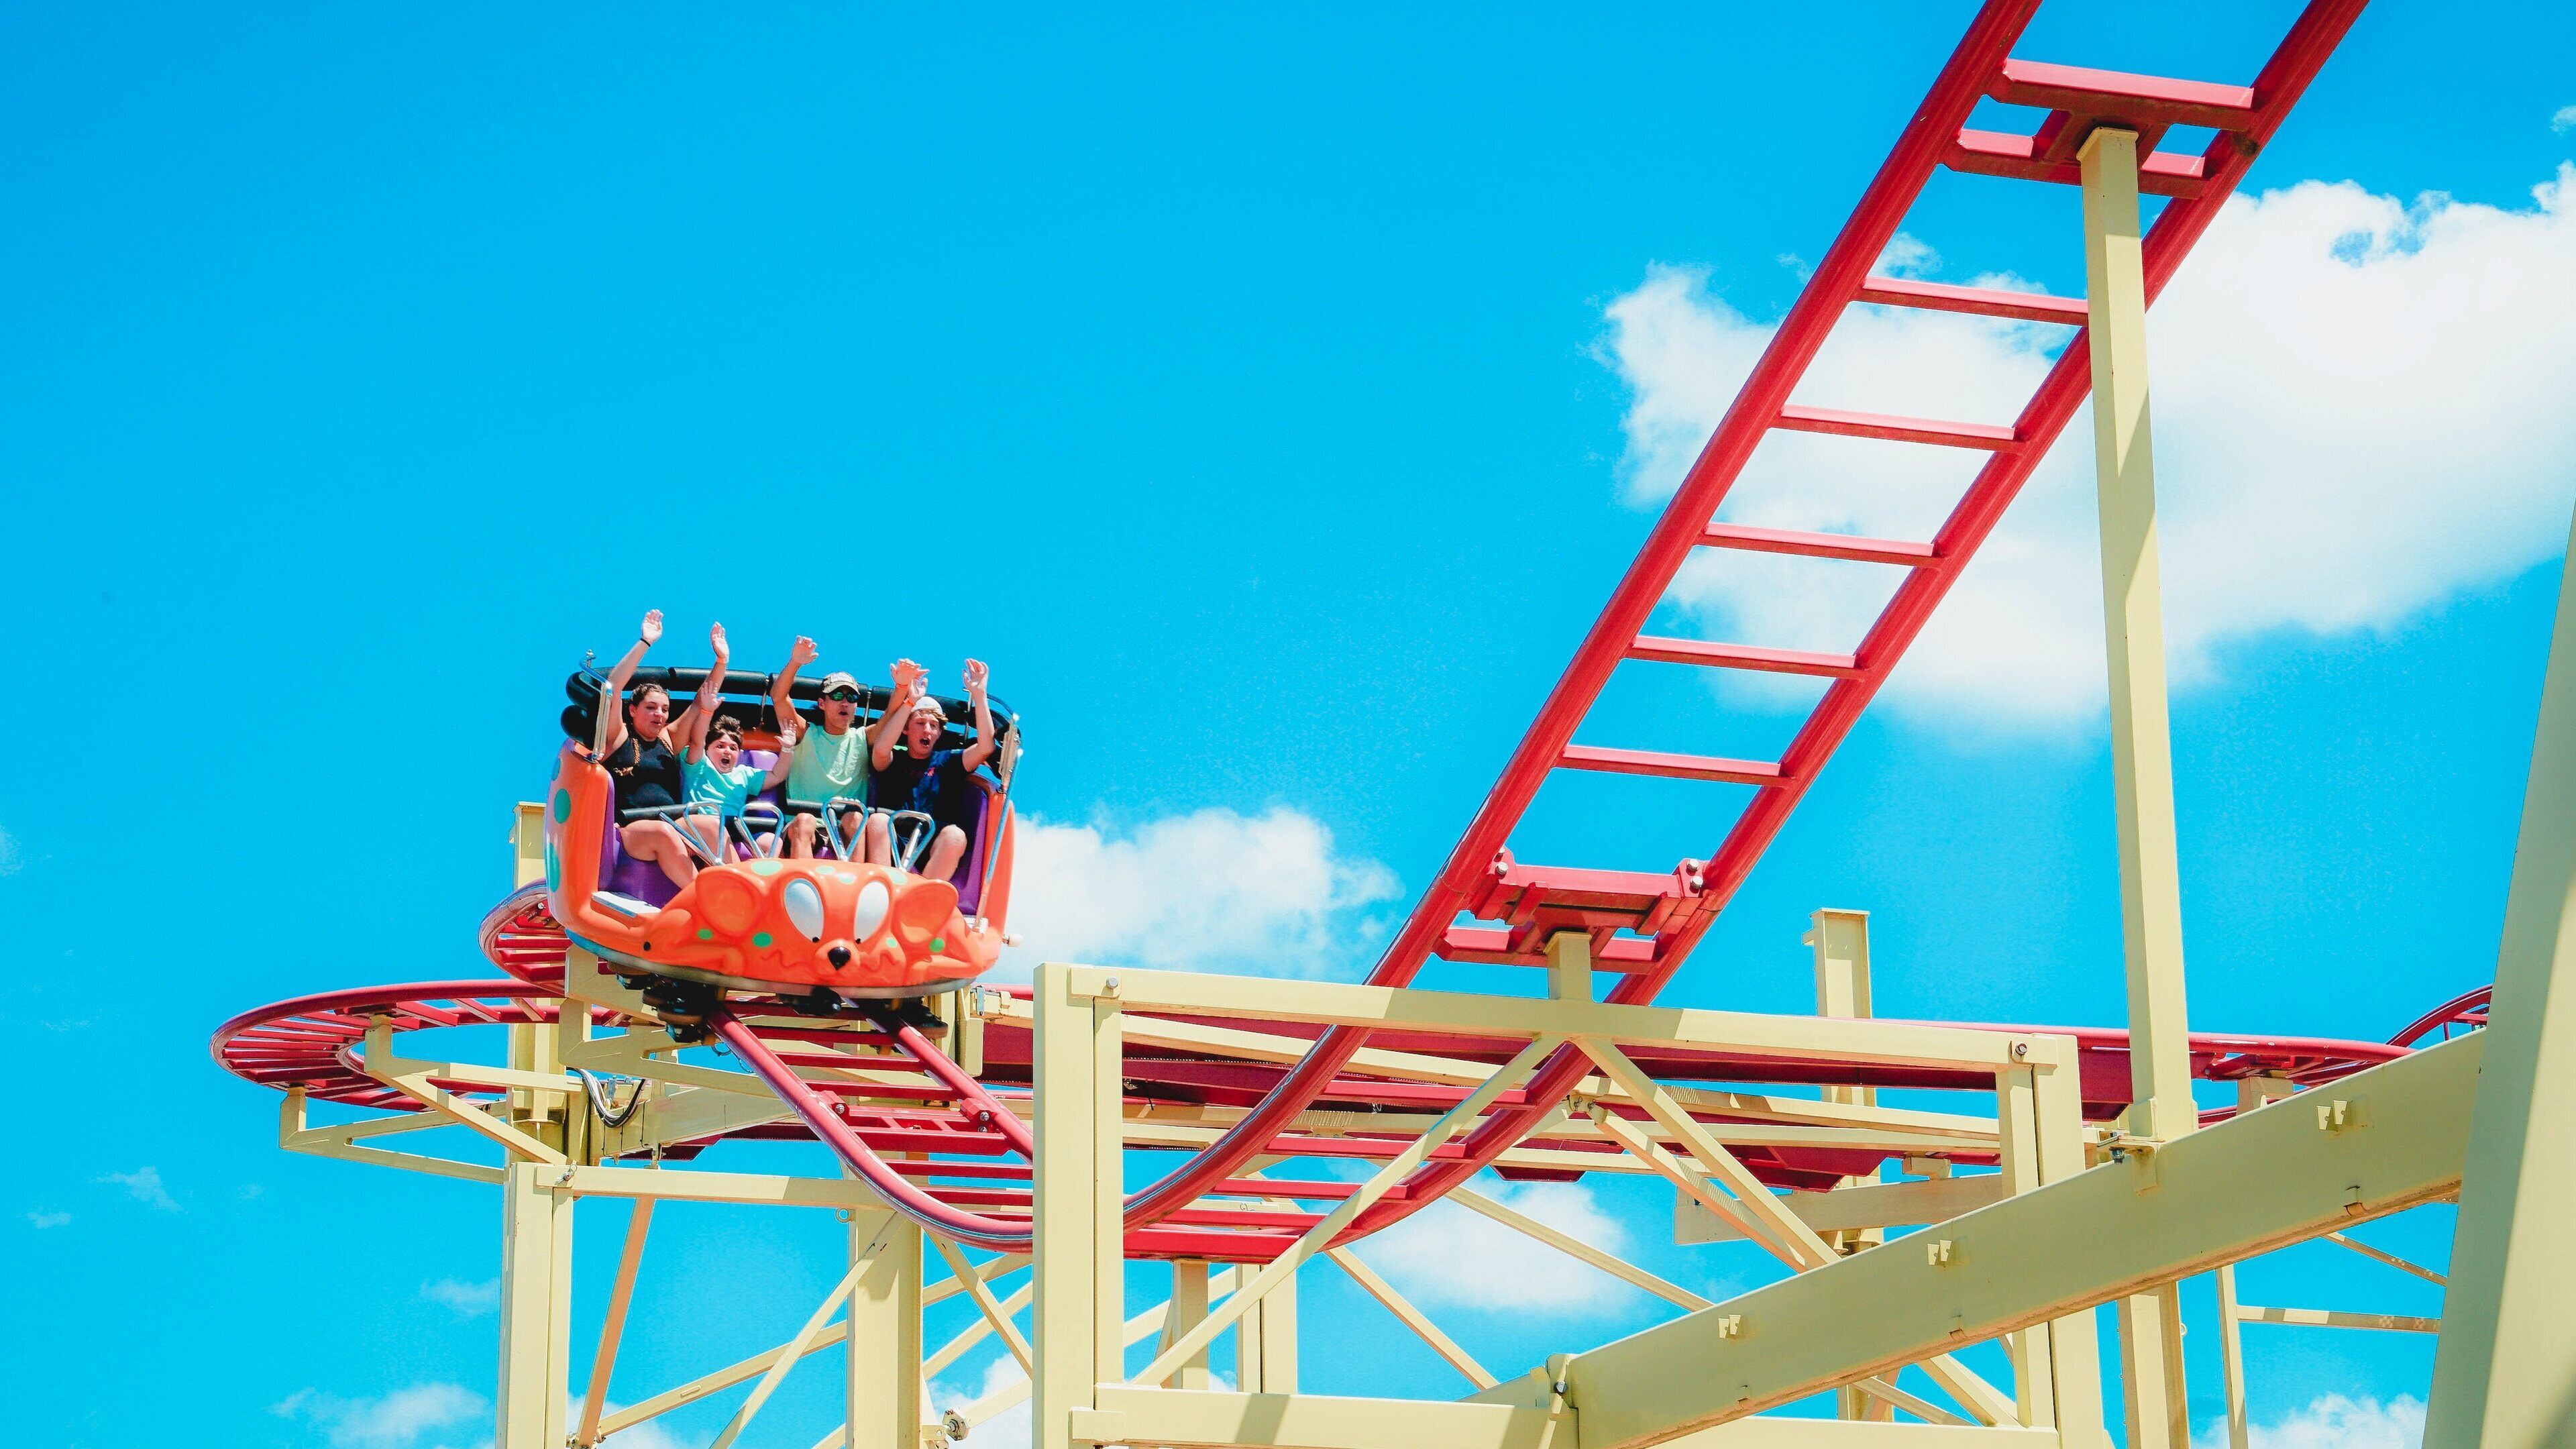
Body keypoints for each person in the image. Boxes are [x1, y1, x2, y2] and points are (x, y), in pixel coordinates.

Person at [597, 610, 718, 890]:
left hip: (676, 824)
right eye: (651, 708)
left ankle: (750, 889)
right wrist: (645, 642)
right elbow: (612, 687)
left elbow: (702, 702)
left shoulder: (668, 739)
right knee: (664, 833)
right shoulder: (618, 737)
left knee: (710, 825)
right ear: (633, 710)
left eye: (664, 709)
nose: (659, 714)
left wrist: (721, 661)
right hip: (633, 829)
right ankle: (702, 898)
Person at [869, 657, 999, 883]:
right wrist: (910, 703)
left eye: (934, 726)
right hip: (895, 837)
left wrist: (979, 694)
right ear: (907, 730)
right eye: (920, 724)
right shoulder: (894, 759)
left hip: (932, 842)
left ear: (939, 734)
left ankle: (924, 899)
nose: (927, 730)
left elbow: (986, 747)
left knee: (955, 836)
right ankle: (882, 888)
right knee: (878, 821)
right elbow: (880, 750)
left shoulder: (947, 761)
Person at [769, 637, 895, 865]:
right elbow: (778, 697)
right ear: (822, 703)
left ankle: (854, 887)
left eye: (851, 697)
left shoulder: (863, 737)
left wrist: (903, 687)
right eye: (836, 696)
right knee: (804, 820)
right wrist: (795, 662)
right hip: (806, 827)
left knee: (855, 818)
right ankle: (804, 889)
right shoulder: (806, 733)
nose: (844, 702)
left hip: (847, 829)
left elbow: (891, 717)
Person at [680, 625, 793, 857]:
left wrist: (788, 748)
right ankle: (738, 881)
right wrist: (706, 712)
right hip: (704, 822)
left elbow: (777, 776)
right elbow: (698, 741)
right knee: (718, 835)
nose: (727, 751)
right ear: (709, 750)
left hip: (737, 824)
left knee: (771, 840)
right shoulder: (699, 765)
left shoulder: (744, 774)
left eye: (733, 748)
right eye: (720, 746)